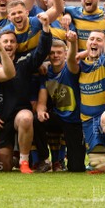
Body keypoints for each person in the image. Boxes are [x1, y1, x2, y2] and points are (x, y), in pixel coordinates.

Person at [67, 8, 105, 174]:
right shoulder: (81, 65)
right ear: (86, 44)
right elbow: (71, 60)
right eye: (91, 39)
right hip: (88, 121)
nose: (94, 42)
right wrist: (72, 44)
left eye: (99, 40)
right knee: (100, 167)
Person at [0, 13, 52, 174]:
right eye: (5, 41)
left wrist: (46, 28)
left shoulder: (24, 61)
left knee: (27, 118)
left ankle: (24, 162)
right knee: (3, 166)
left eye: (12, 41)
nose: (9, 44)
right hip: (1, 118)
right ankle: (10, 156)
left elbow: (41, 52)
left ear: (17, 45)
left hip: (20, 112)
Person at [36, 34, 85, 172]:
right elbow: (41, 102)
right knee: (35, 120)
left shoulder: (70, 69)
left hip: (74, 121)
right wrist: (40, 111)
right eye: (52, 53)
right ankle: (44, 159)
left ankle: (66, 160)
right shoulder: (46, 73)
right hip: (57, 117)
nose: (55, 55)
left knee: (76, 168)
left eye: (59, 52)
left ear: (65, 54)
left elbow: (72, 60)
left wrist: (73, 43)